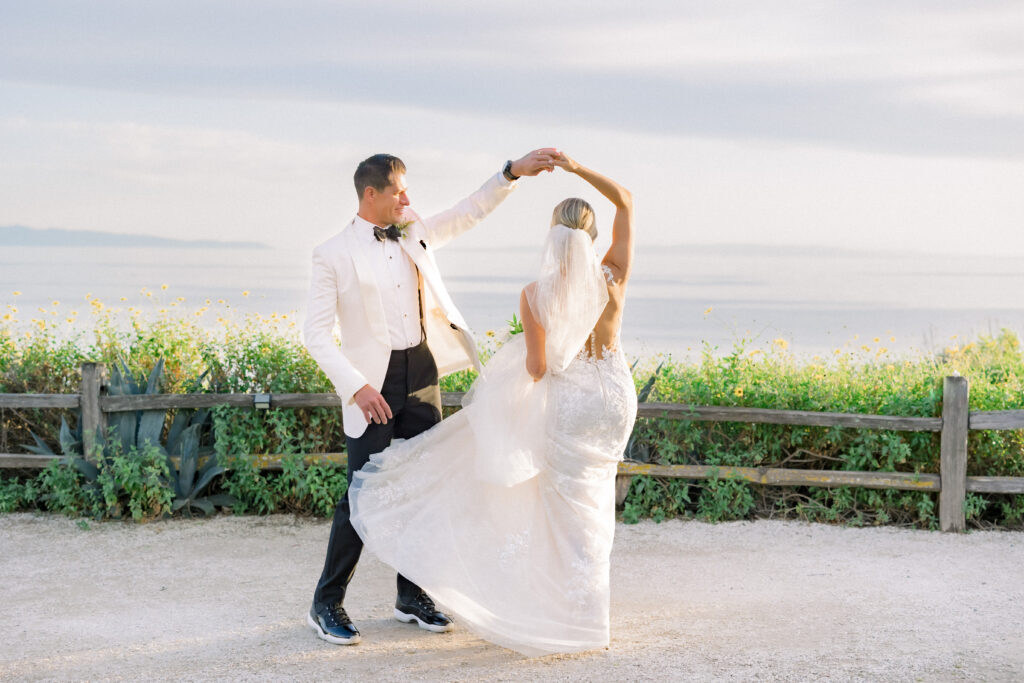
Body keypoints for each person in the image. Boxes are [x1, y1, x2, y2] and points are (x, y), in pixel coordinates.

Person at [348, 151, 638, 656]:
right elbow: (627, 200)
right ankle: (595, 613)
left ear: (552, 235)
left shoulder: (535, 295)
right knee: (597, 504)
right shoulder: (612, 276)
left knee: (565, 511)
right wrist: (575, 168)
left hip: (571, 409)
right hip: (612, 404)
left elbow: (539, 369)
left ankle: (571, 614)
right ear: (590, 236)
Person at [303, 149, 558, 645]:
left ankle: (411, 595)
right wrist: (356, 387)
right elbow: (315, 336)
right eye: (398, 189)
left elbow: (468, 211)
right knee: (362, 493)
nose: (408, 197)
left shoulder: (414, 229)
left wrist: (510, 174)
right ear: (370, 194)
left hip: (422, 373)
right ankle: (326, 602)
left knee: (429, 487)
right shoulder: (331, 253)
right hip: (370, 385)